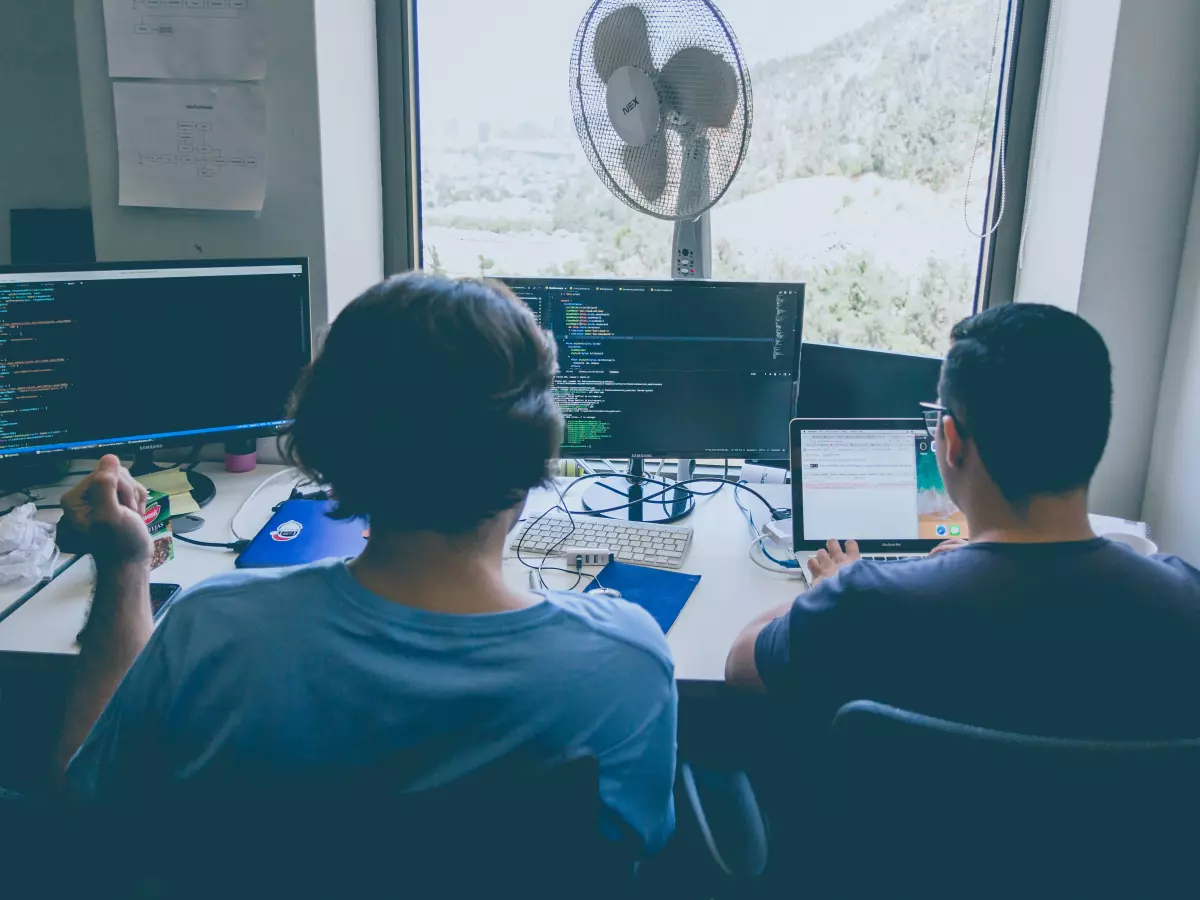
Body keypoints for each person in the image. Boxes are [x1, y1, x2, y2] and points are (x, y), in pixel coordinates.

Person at [57, 273, 677, 854]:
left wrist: (126, 564)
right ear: (537, 449)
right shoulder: (625, 659)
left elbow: (90, 809)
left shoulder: (211, 629)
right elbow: (634, 848)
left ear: (329, 444)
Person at [726, 303, 1200, 742]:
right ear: (1097, 435)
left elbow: (741, 664)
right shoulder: (1188, 602)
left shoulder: (861, 603)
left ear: (951, 441)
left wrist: (826, 588)